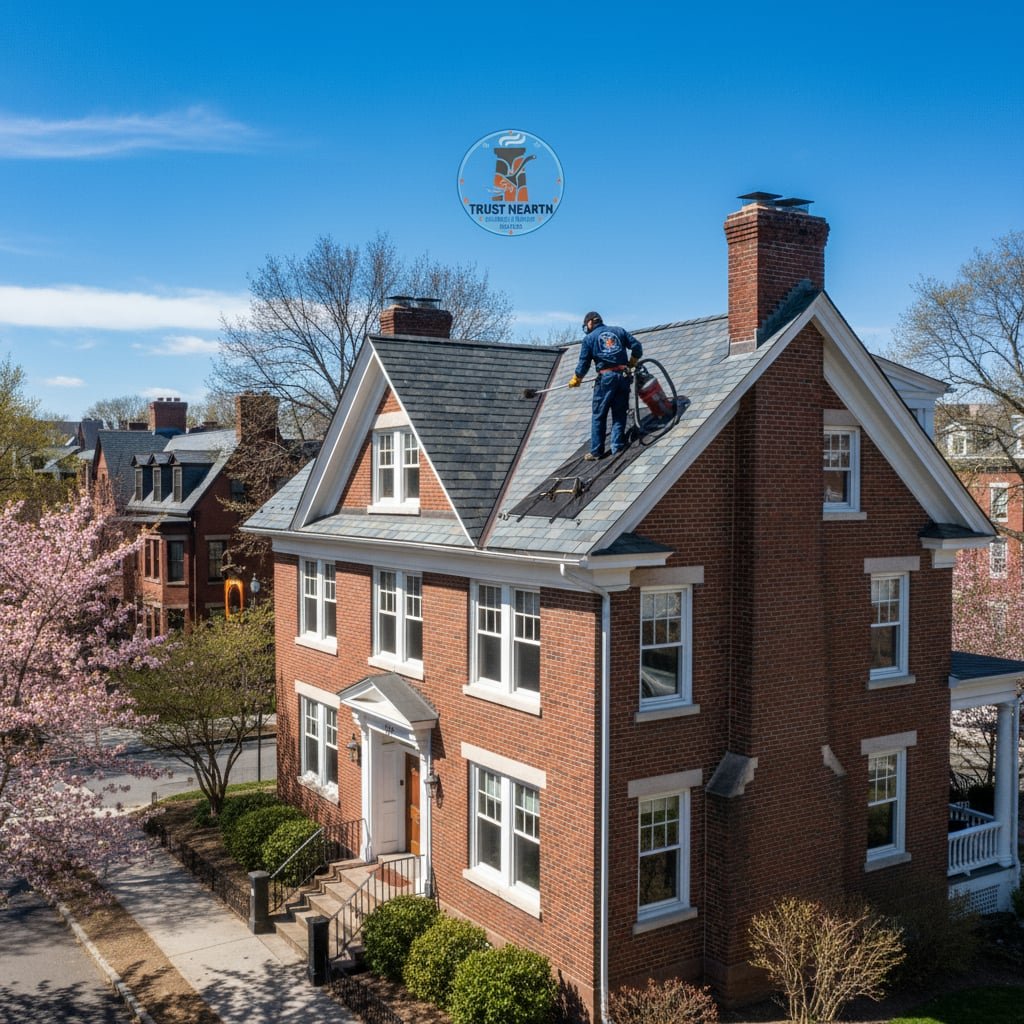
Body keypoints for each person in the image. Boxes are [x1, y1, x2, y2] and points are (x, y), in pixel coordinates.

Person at [569, 311, 642, 460]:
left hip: (606, 379)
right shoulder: (619, 331)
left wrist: (577, 377)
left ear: (589, 323)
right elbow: (637, 346)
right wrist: (632, 362)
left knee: (599, 415)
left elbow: (584, 363)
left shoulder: (589, 339)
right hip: (623, 376)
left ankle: (596, 451)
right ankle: (617, 447)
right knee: (619, 413)